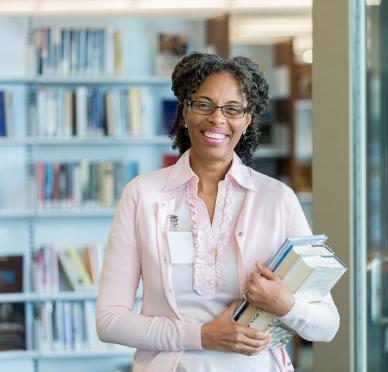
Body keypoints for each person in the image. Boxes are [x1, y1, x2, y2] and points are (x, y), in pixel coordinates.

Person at [96, 52, 340, 372]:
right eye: (204, 104)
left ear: (247, 120)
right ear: (185, 112)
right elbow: (109, 321)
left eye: (233, 109)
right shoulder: (142, 195)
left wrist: (286, 305)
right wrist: (204, 336)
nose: (217, 119)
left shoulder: (277, 199)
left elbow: (326, 325)